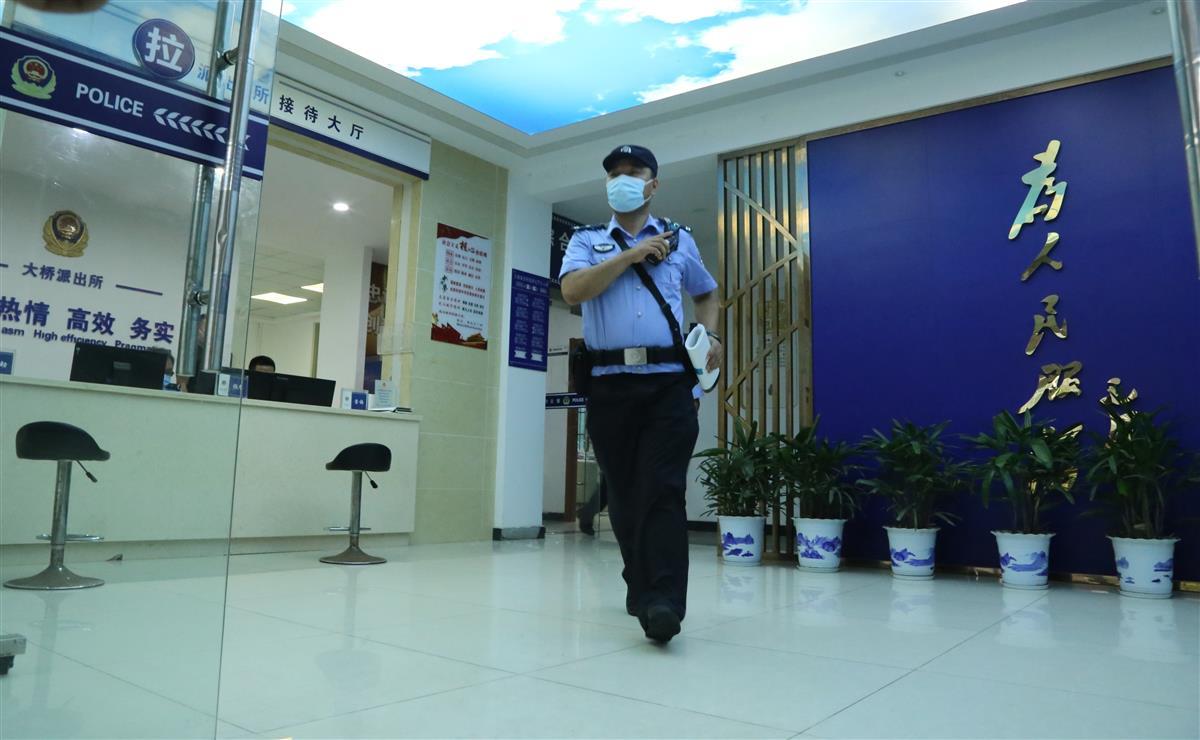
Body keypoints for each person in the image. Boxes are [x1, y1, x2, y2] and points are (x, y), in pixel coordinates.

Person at [559, 144, 722, 643]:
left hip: (669, 383)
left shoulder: (679, 240)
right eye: (614, 173)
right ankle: (641, 585)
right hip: (609, 384)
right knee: (625, 495)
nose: (621, 179)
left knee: (663, 488)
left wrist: (711, 334)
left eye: (633, 172)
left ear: (653, 184)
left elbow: (707, 292)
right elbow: (573, 291)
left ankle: (664, 602)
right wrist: (630, 255)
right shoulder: (587, 240)